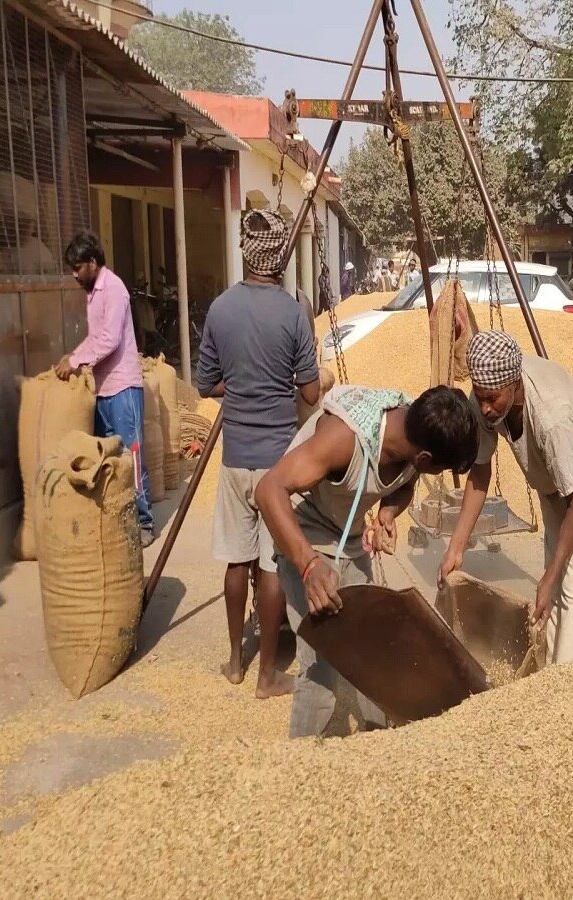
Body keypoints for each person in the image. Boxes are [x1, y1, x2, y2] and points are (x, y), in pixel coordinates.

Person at [255, 384, 479, 737]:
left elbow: (404, 483)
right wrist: (309, 565)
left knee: (376, 647)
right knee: (322, 664)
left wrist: (388, 513)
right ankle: (298, 769)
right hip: (304, 534)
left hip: (350, 534)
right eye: (436, 469)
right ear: (424, 458)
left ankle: (377, 747)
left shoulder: (416, 434)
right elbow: (269, 489)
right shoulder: (344, 439)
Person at [196, 208, 321, 698]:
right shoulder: (291, 313)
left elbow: (207, 383)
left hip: (234, 459)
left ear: (245, 254)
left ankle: (234, 661)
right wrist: (279, 383)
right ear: (281, 259)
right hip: (277, 463)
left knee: (235, 559)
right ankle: (268, 675)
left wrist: (243, 384)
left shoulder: (220, 309)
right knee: (271, 564)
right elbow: (310, 394)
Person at [439, 331, 573, 665]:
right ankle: (548, 668)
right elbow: (479, 474)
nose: (486, 408)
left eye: (493, 398)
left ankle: (565, 683)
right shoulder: (484, 401)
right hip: (553, 478)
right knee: (553, 572)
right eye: (480, 397)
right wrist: (457, 547)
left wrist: (549, 576)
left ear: (514, 384)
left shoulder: (551, 420)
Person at [56, 231, 154, 547]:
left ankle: (144, 522)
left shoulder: (114, 290)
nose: (74, 275)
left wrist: (76, 360)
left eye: (77, 267)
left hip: (123, 386)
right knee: (107, 458)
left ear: (93, 263)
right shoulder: (94, 293)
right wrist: (74, 357)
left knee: (131, 454)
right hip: (103, 389)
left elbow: (110, 339)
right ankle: (115, 516)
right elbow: (96, 337)